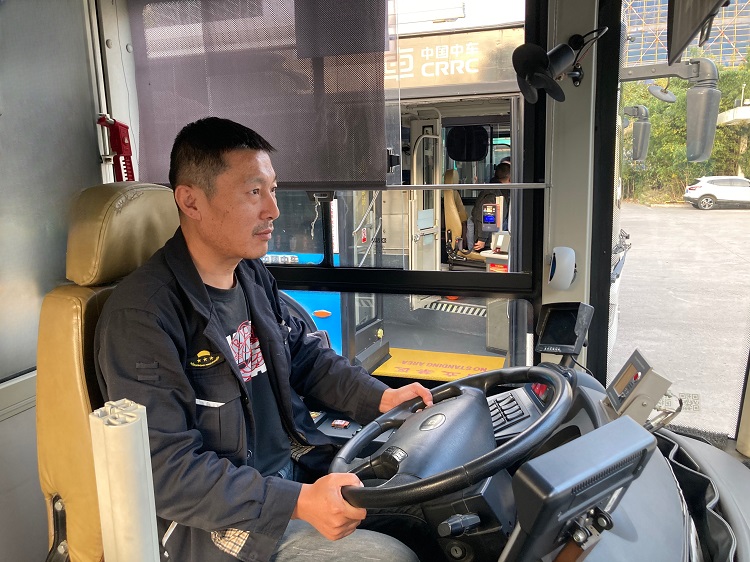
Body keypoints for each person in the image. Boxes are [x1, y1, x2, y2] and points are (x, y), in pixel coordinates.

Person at [94, 117, 433, 562]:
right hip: (222, 524)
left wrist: (382, 399)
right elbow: (167, 471)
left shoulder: (250, 274)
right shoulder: (143, 316)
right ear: (191, 201)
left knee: (433, 510)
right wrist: (299, 502)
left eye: (273, 190)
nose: (273, 209)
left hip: (295, 470)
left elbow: (305, 357)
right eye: (254, 192)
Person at [472, 161, 510, 251]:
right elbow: (487, 217)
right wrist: (482, 239)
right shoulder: (492, 194)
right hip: (487, 241)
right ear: (510, 179)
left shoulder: (498, 190)